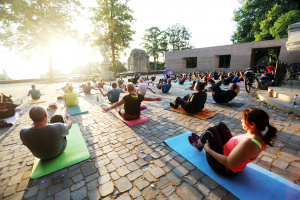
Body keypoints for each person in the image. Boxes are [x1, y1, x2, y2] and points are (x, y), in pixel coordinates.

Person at [188, 108, 277, 175]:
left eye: (243, 119)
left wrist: (208, 149)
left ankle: (199, 145)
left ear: (253, 124)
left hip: (223, 168)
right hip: (229, 152)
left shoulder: (248, 143)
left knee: (210, 131)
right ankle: (202, 139)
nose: (241, 121)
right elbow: (241, 144)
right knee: (220, 125)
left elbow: (228, 163)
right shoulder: (260, 136)